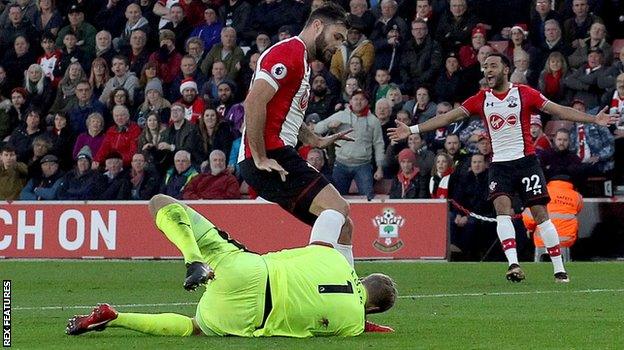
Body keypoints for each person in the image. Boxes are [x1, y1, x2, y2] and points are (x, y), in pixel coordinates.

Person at [389, 52, 618, 283]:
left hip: (526, 162)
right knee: (502, 210)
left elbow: (558, 110)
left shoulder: (524, 93)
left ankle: (559, 269)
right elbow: (448, 117)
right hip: (499, 165)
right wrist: (413, 129)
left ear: (505, 69)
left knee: (540, 215)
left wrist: (592, 119)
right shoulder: (481, 98)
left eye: (492, 66)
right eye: (485, 67)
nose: (488, 70)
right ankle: (513, 264)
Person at [66, 195, 396, 337]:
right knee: (195, 328)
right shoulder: (354, 324)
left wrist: (342, 222)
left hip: (248, 270)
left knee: (161, 204)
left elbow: (335, 216)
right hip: (248, 317)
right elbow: (364, 322)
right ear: (375, 310)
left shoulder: (333, 258)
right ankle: (118, 317)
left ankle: (192, 257)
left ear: (363, 275)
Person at [239, 3, 356, 255]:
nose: (338, 47)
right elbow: (254, 101)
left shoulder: (301, 60)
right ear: (317, 26)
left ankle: (345, 290)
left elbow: (284, 112)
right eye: (337, 37)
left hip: (276, 154)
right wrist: (259, 156)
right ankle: (325, 280)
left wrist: (314, 139)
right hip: (271, 157)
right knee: (338, 210)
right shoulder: (289, 52)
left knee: (341, 225)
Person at [522, 178, 583, 263]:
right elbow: (578, 211)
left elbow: (528, 219)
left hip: (542, 239)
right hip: (567, 240)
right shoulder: (577, 196)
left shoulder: (541, 192)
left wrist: (530, 229)